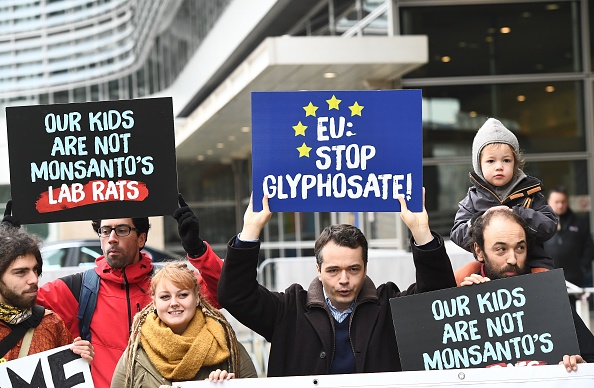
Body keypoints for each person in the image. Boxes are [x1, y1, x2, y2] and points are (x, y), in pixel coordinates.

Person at [218, 191, 457, 376]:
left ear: (365, 267)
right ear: (318, 270)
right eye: (333, 270)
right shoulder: (288, 310)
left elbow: (437, 298)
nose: (344, 280)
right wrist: (250, 230)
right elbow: (235, 294)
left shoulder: (389, 306)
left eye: (353, 269)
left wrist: (422, 233)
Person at [31, 195, 223, 388]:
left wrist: (198, 250)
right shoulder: (77, 288)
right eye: (105, 231)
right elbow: (14, 305)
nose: (112, 239)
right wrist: (7, 251)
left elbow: (221, 293)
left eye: (122, 230)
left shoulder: (168, 284)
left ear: (141, 239)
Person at [458, 208, 594, 371]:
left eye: (520, 248)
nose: (513, 259)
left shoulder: (547, 294)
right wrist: (464, 306)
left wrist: (580, 366)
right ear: (479, 251)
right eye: (501, 249)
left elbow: (590, 355)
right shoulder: (460, 290)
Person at [111, 262, 257, 387]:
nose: (174, 303)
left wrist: (230, 386)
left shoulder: (226, 344)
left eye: (182, 295)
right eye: (165, 297)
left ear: (197, 298)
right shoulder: (136, 352)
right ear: (154, 302)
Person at [451, 117, 557, 284]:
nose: (499, 166)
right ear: (479, 165)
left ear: (515, 164)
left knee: (546, 282)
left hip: (533, 262)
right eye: (491, 161)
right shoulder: (472, 198)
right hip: (488, 266)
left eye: (506, 160)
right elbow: (457, 233)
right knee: (459, 278)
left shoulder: (530, 192)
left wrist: (517, 214)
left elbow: (549, 225)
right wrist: (482, 220)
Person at [0, 222, 94, 363]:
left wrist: (81, 361)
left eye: (35, 269)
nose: (33, 279)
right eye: (21, 272)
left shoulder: (51, 323)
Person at [543, 186, 594, 301]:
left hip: (574, 279)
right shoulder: (541, 223)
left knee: (574, 312)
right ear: (549, 201)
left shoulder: (579, 223)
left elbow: (589, 247)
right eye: (557, 202)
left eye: (563, 202)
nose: (560, 205)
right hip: (548, 277)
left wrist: (582, 267)